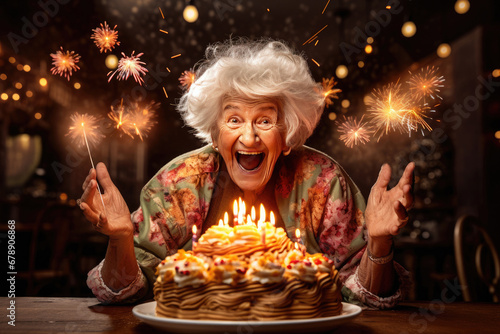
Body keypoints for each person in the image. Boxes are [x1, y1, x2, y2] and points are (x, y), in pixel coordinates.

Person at [79, 39, 413, 309]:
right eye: (234, 120)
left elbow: (362, 295)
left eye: (265, 121)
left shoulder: (322, 182)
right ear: (214, 133)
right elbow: (127, 290)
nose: (250, 137)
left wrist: (380, 244)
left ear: (287, 135)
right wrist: (121, 239)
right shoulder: (180, 182)